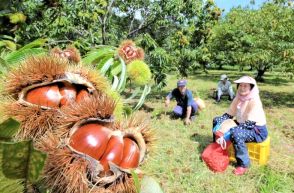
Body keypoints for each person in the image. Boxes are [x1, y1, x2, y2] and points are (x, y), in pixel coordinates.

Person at [212, 76, 268, 175]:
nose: (242, 88)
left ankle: (243, 164)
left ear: (251, 88)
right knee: (217, 120)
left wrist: (228, 132)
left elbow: (249, 124)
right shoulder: (238, 97)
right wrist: (218, 124)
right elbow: (229, 114)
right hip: (241, 123)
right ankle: (216, 146)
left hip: (256, 130)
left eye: (245, 86)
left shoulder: (254, 100)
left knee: (236, 133)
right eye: (240, 85)